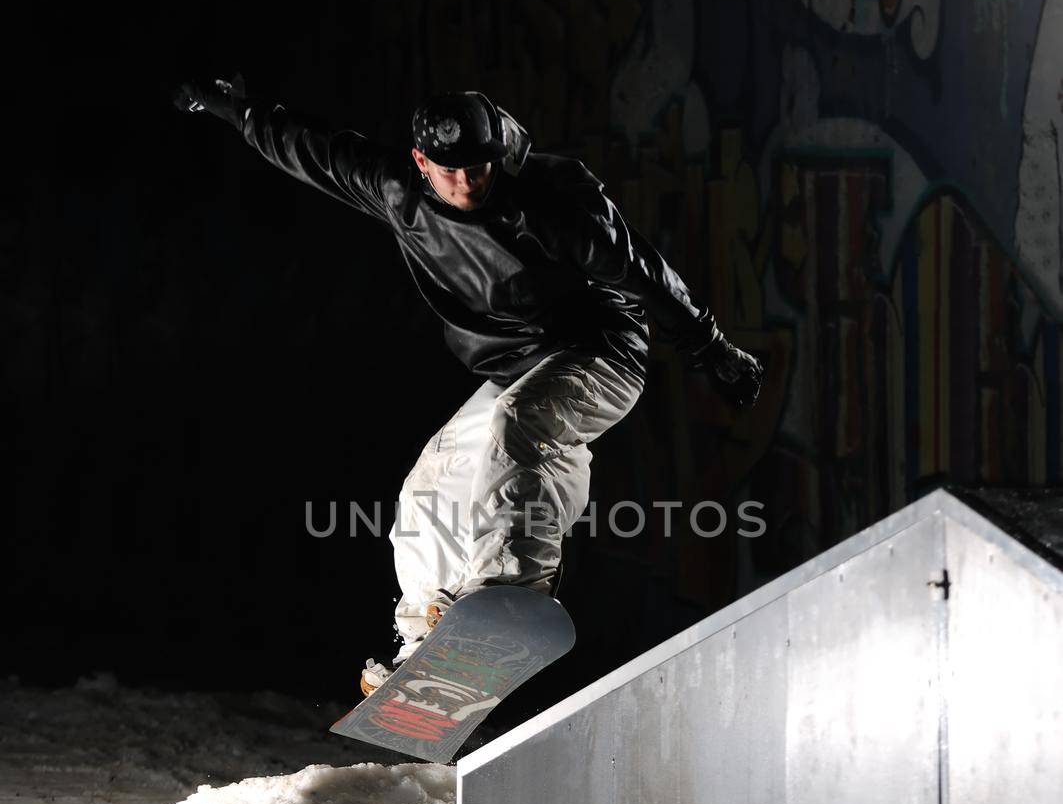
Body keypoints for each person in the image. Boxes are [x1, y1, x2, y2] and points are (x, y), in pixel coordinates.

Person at [172, 76, 763, 692]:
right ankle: (426, 630)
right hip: (520, 368)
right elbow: (307, 147)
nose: (466, 184)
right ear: (421, 162)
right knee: (432, 480)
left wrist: (711, 346)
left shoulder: (552, 204)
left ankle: (513, 585)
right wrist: (233, 108)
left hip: (601, 353)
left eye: (479, 169)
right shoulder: (394, 188)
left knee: (523, 425)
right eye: (449, 172)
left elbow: (643, 271)